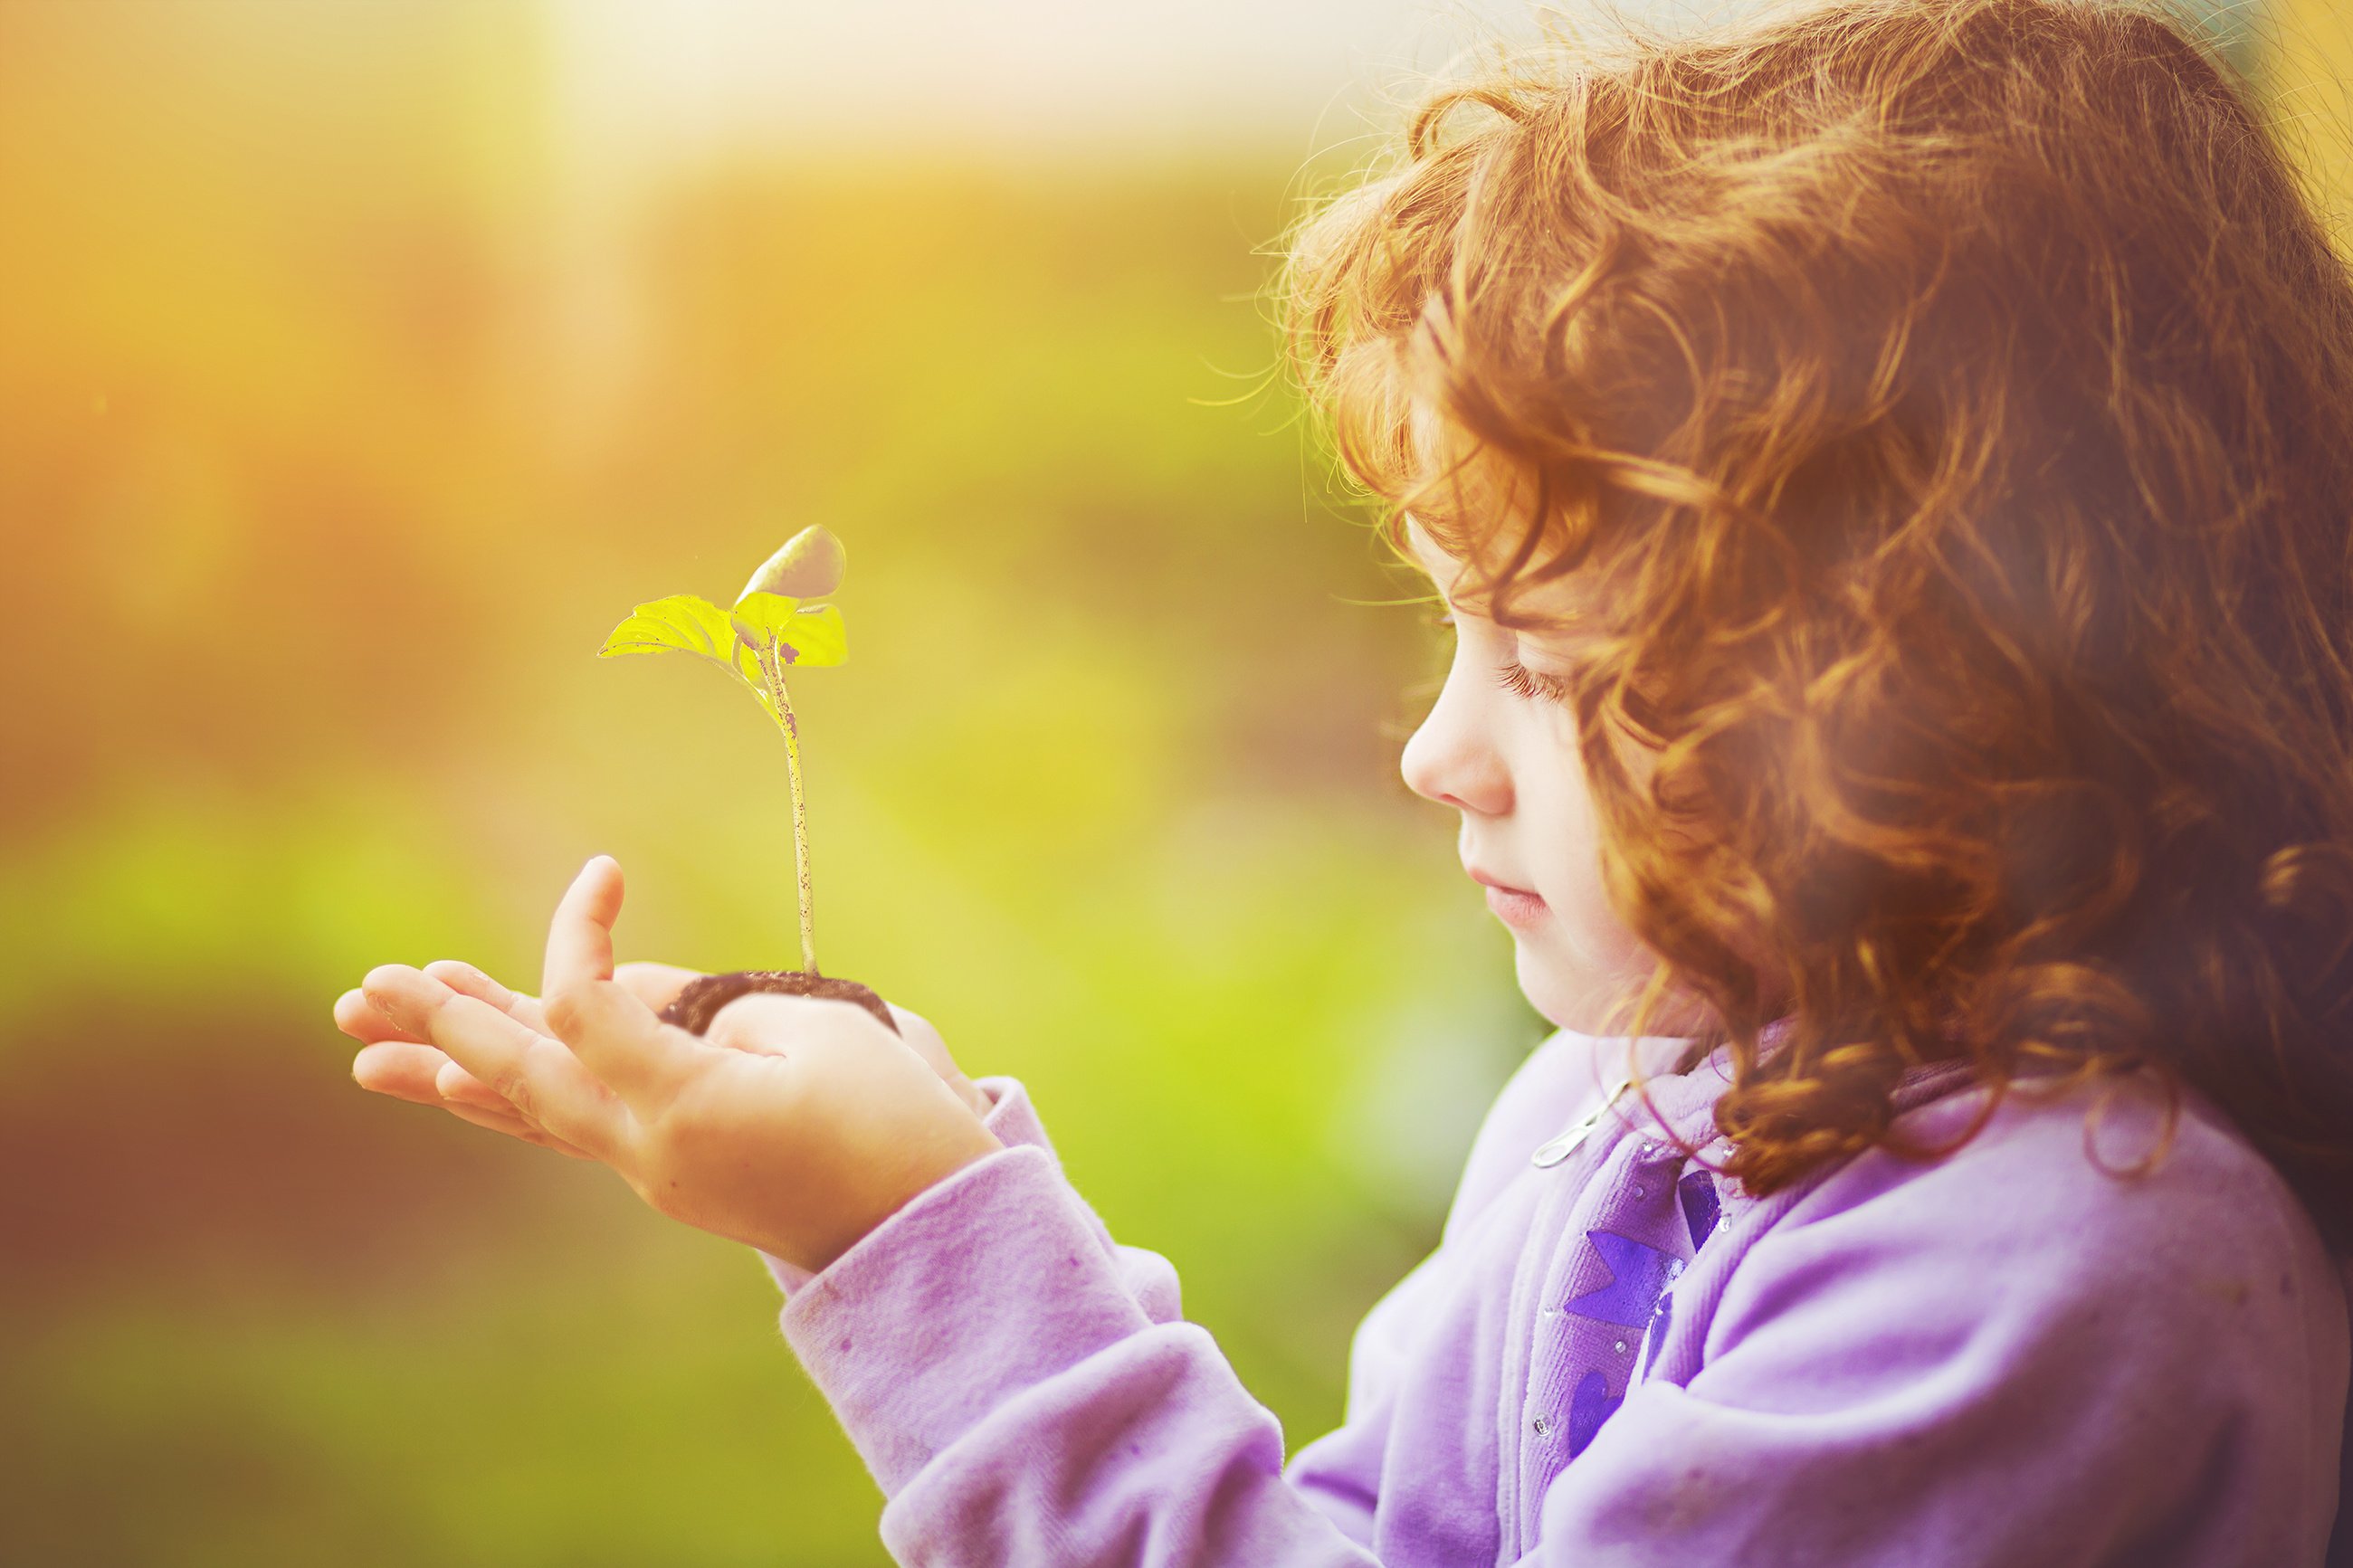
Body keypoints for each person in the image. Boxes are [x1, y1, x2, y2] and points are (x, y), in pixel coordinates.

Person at [332, 0, 2353, 1561]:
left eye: (1548, 663)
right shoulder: (1624, 1104)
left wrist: (916, 1227)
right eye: (1447, 628)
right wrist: (907, 1173)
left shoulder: (2050, 1280)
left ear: (1941, 698)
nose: (1430, 751)